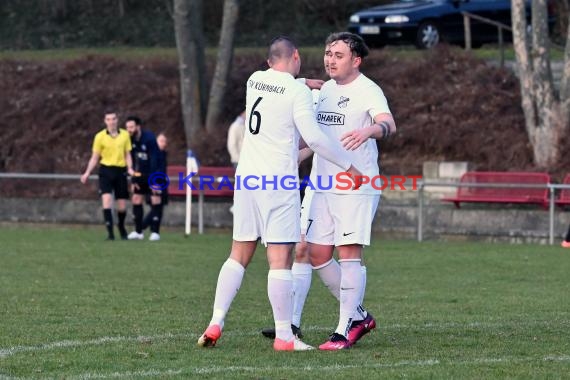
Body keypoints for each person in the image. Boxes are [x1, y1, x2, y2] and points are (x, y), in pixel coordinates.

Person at [197, 36, 362, 351]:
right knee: (280, 259)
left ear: (270, 60)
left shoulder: (255, 80)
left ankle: (216, 320)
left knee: (239, 253)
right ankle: (285, 337)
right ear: (296, 56)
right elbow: (313, 138)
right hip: (277, 182)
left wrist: (301, 81)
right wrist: (348, 167)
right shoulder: (297, 91)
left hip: (246, 179)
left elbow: (281, 86)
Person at [306, 32, 397, 350]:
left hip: (357, 184)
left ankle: (344, 329)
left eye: (338, 55)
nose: (330, 59)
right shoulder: (326, 89)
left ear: (355, 60)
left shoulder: (368, 90)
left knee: (349, 256)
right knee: (315, 253)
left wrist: (369, 130)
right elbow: (317, 139)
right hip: (323, 184)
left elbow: (389, 124)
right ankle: (358, 315)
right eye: (327, 53)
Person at [81, 110, 134, 240]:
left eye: (113, 119)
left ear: (117, 120)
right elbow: (95, 157)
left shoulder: (125, 135)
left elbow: (127, 154)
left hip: (120, 171)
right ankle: (110, 233)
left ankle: (121, 226)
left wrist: (130, 168)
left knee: (122, 204)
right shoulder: (99, 136)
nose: (111, 121)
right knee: (107, 200)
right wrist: (87, 172)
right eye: (108, 119)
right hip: (106, 171)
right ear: (105, 121)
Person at [124, 116, 161, 241]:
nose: (129, 130)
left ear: (138, 127)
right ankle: (138, 231)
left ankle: (155, 232)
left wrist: (153, 180)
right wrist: (133, 179)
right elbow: (132, 161)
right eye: (127, 127)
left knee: (155, 198)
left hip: (154, 172)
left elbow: (155, 159)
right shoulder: (130, 140)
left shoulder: (149, 138)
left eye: (131, 127)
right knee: (136, 198)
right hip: (140, 174)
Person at [141, 132, 168, 236]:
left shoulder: (163, 154)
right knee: (156, 207)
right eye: (161, 140)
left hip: (162, 183)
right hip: (154, 182)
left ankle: (154, 231)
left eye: (164, 141)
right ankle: (143, 227)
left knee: (159, 208)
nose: (163, 143)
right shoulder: (152, 155)